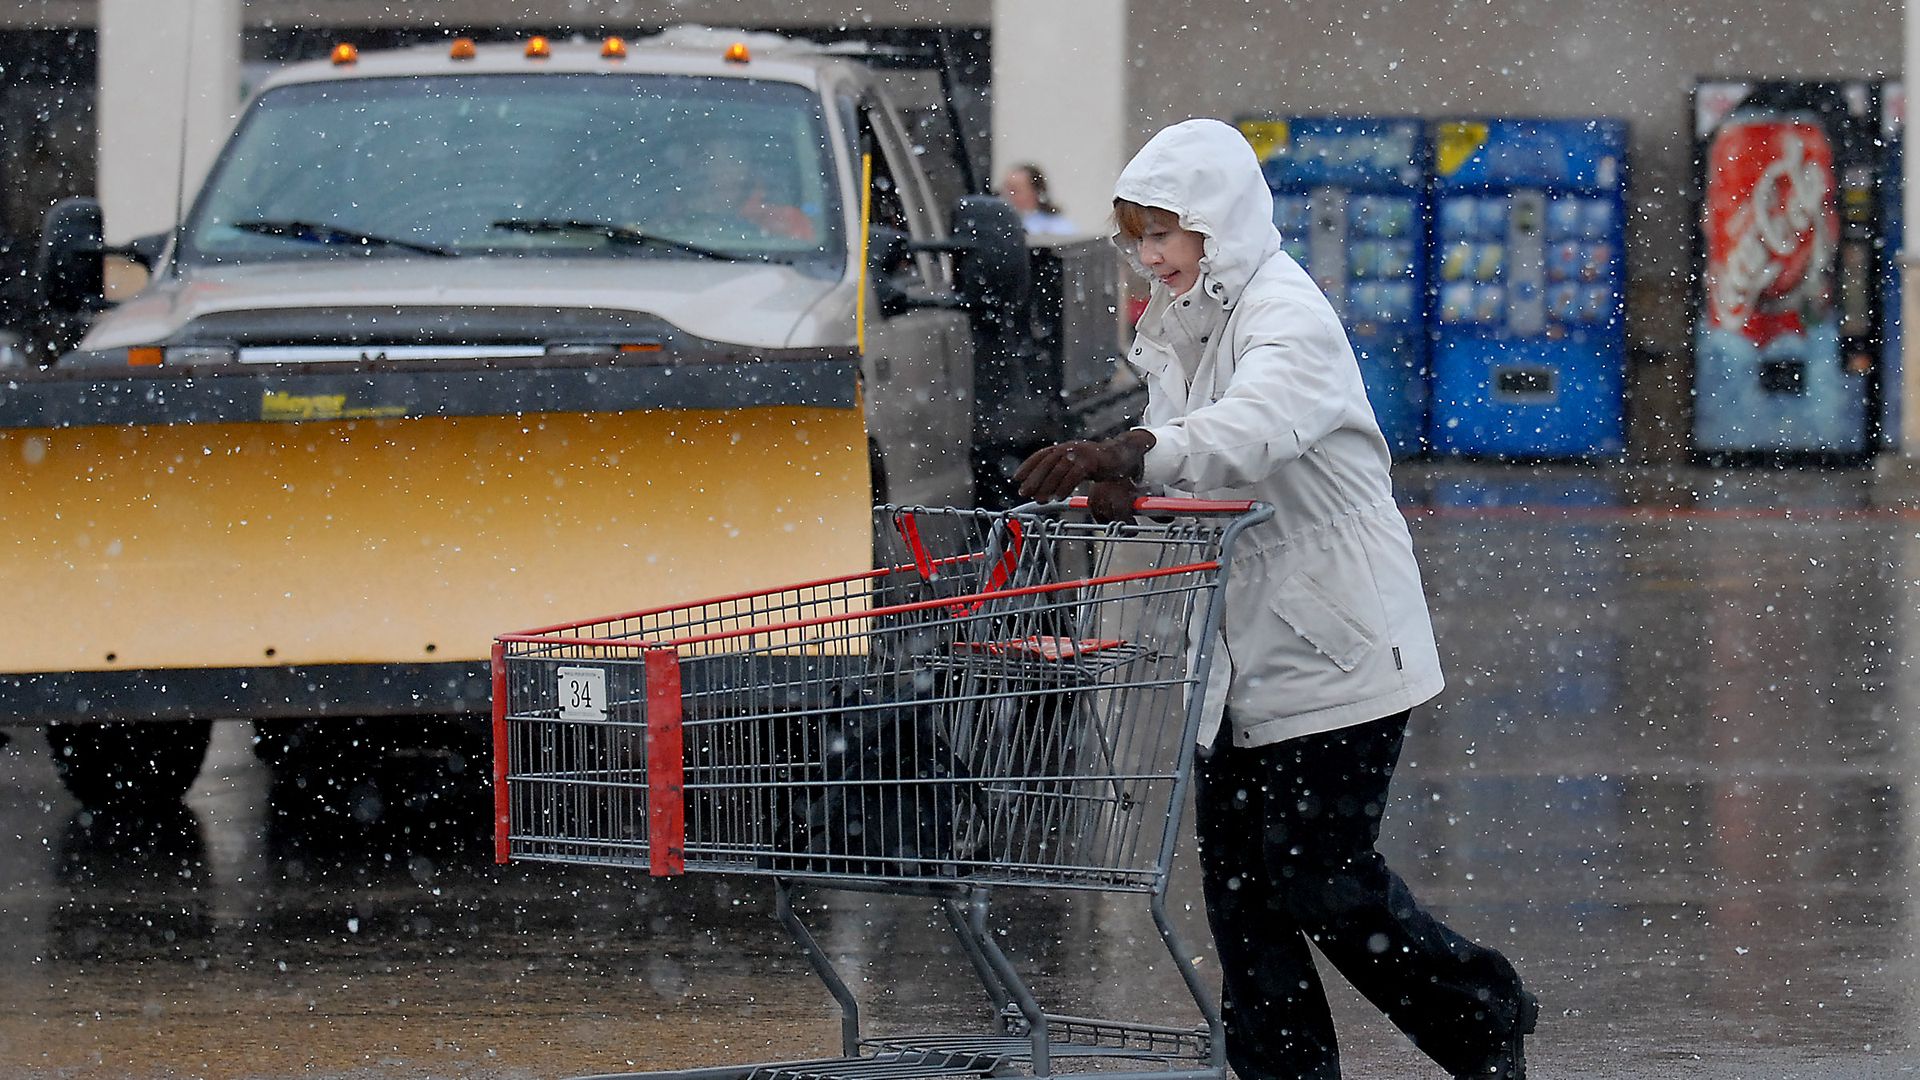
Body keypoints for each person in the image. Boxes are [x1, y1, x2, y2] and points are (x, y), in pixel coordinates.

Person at [1013, 118, 1537, 1080]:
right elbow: (1208, 474)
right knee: (1243, 899)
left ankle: (1478, 1009)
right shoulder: (1181, 328)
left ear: (1219, 224)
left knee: (1321, 881)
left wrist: (1134, 450)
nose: (1150, 255)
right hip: (1242, 661)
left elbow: (1250, 432)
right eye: (1138, 236)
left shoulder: (1287, 314)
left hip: (1338, 650)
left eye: (1166, 233)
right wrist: (1128, 497)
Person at [999, 162, 1077, 236]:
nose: (1006, 195)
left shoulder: (1057, 228)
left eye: (1014, 190)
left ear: (1035, 193)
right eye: (1005, 189)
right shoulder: (998, 224)